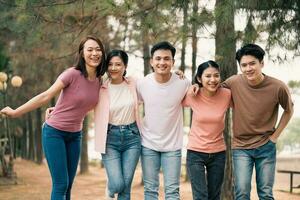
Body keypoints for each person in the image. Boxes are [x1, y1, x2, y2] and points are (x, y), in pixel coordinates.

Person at [0, 35, 106, 200]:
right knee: (61, 184)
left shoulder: (100, 81)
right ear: (82, 53)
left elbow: (83, 103)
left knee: (69, 185)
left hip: (75, 135)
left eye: (98, 49)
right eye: (90, 49)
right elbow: (45, 96)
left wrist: (58, 108)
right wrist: (15, 112)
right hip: (54, 133)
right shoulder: (72, 74)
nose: (94, 53)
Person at [222, 44, 294, 200]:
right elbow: (211, 89)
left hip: (266, 146)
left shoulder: (278, 87)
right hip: (240, 147)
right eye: (244, 65)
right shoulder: (233, 82)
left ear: (262, 63)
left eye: (252, 63)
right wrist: (190, 82)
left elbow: (289, 110)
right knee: (241, 193)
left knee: (266, 193)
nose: (248, 68)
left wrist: (275, 137)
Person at [136, 41, 190, 200]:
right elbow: (129, 105)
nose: (162, 62)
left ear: (173, 62)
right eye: (158, 59)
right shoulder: (142, 84)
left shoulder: (183, 83)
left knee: (172, 192)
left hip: (173, 146)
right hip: (148, 144)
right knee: (150, 191)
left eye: (167, 59)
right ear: (151, 61)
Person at [94, 49, 141, 200]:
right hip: (110, 139)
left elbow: (154, 83)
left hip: (132, 138)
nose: (113, 68)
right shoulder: (101, 87)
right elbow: (82, 100)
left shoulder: (133, 83)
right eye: (110, 64)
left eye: (118, 64)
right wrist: (58, 108)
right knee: (117, 184)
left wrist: (176, 75)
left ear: (125, 66)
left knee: (125, 190)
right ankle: (110, 188)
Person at [182, 60, 231, 200]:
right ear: (199, 78)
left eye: (216, 75)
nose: (213, 80)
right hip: (195, 152)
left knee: (214, 196)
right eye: (208, 76)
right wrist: (180, 77)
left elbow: (245, 103)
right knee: (201, 196)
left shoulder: (226, 94)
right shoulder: (192, 94)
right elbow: (171, 100)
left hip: (218, 153)